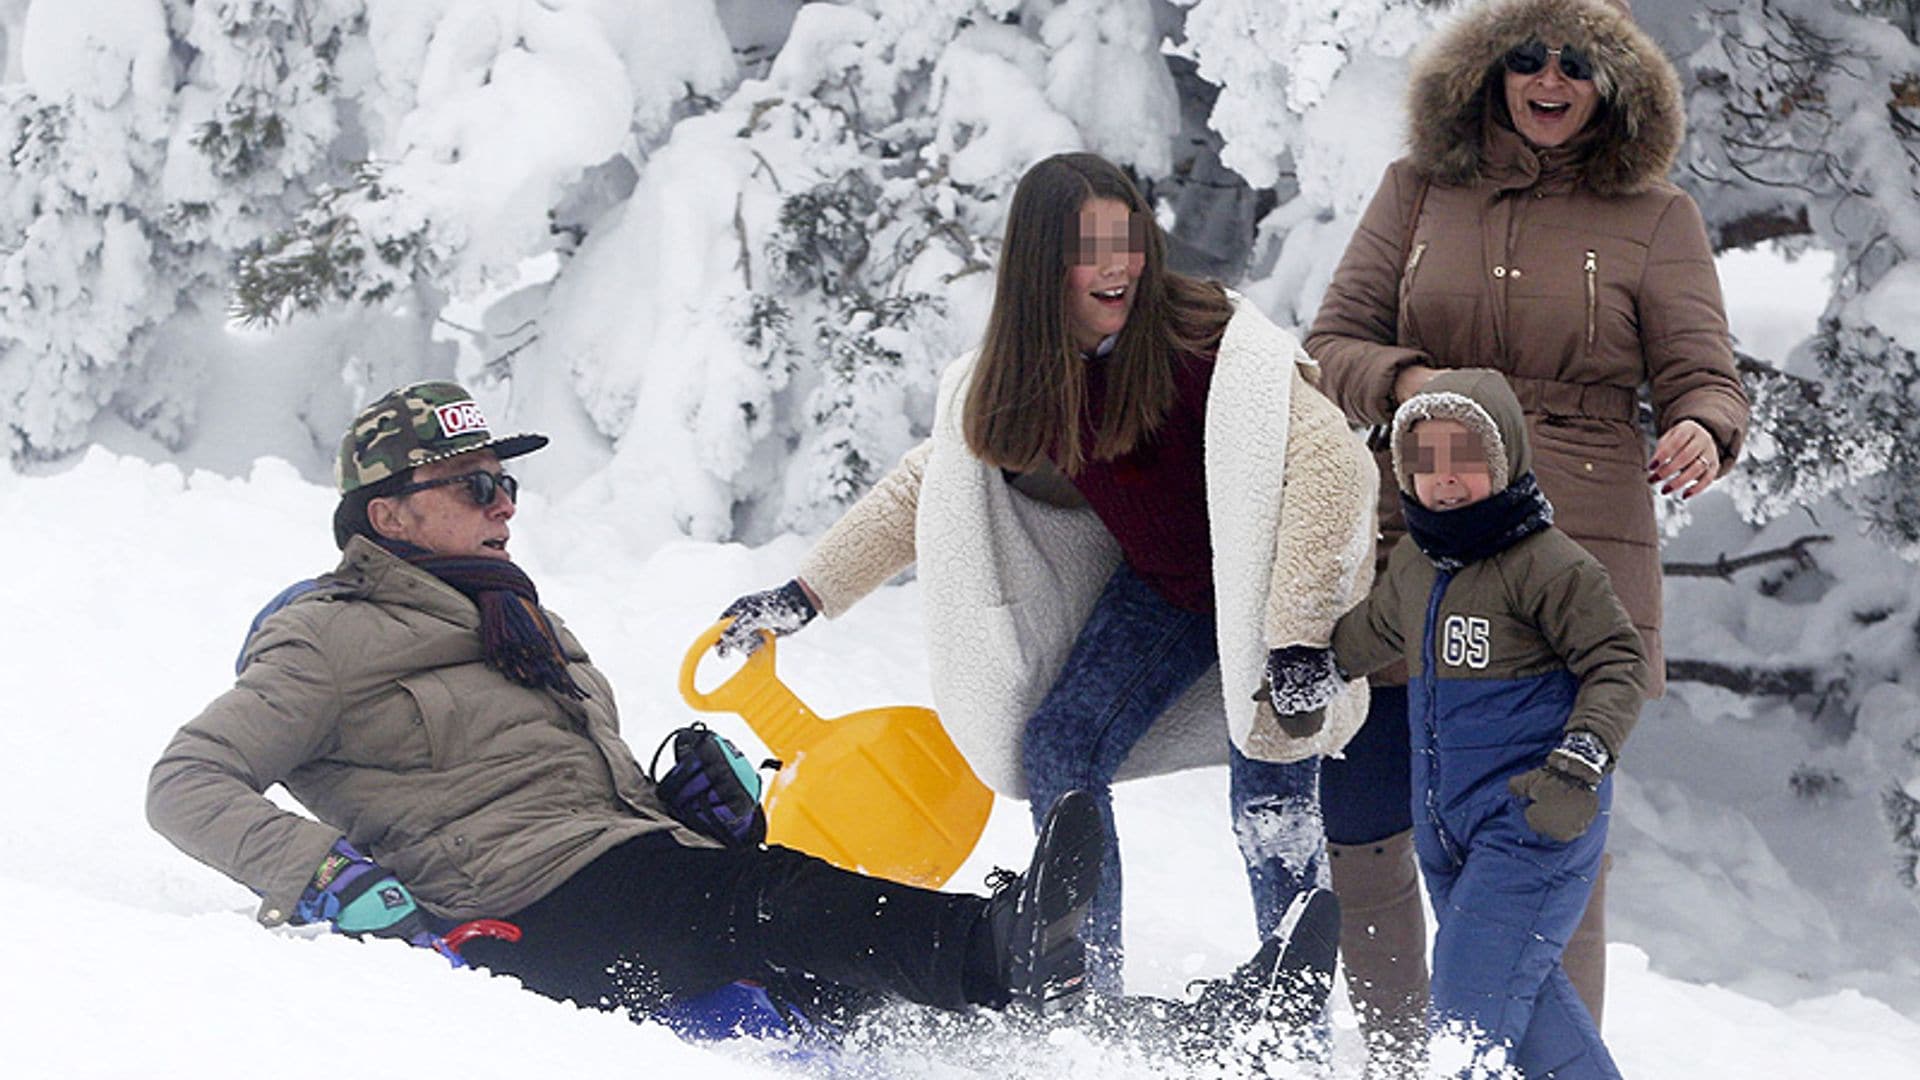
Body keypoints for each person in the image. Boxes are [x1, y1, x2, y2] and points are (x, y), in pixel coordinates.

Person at [145, 381, 1113, 1026]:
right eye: (476, 485)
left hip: (623, 879)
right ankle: (1002, 949)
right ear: (389, 516)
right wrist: (319, 874)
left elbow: (584, 804)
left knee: (834, 971)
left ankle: (1090, 1021)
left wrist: (696, 811)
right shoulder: (326, 633)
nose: (504, 504)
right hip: (519, 911)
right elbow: (186, 781)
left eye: (507, 482)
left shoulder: (526, 625)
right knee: (763, 901)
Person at [716, 151, 1380, 999]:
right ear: (1041, 264)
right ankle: (1080, 978)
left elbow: (1333, 468)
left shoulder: (1202, 341)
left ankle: (1290, 1011)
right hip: (1168, 592)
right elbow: (935, 483)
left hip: (1277, 590)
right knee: (1060, 745)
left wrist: (1296, 637)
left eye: (1129, 239)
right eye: (1091, 247)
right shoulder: (1029, 378)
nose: (1120, 265)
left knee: (1272, 784)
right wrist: (806, 594)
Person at [1304, 0, 1750, 1065]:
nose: (1551, 79)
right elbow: (1334, 342)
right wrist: (1419, 384)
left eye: (1578, 65)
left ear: (1614, 87)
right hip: (1415, 527)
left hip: (1573, 547)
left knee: (1542, 834)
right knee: (1367, 810)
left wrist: (1701, 425)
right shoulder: (1418, 190)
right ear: (1490, 72)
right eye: (1528, 58)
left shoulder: (1658, 216)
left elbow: (1705, 375)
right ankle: (1409, 1057)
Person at [1291, 369, 1647, 1079]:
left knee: (1465, 1021)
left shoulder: (1548, 566)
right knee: (1535, 1014)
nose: (1445, 480)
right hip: (1452, 835)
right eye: (1426, 462)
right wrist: (1315, 670)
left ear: (1506, 457)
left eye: (1466, 459)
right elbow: (1374, 633)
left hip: (1533, 822)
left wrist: (1582, 758)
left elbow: (1618, 662)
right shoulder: (1421, 564)